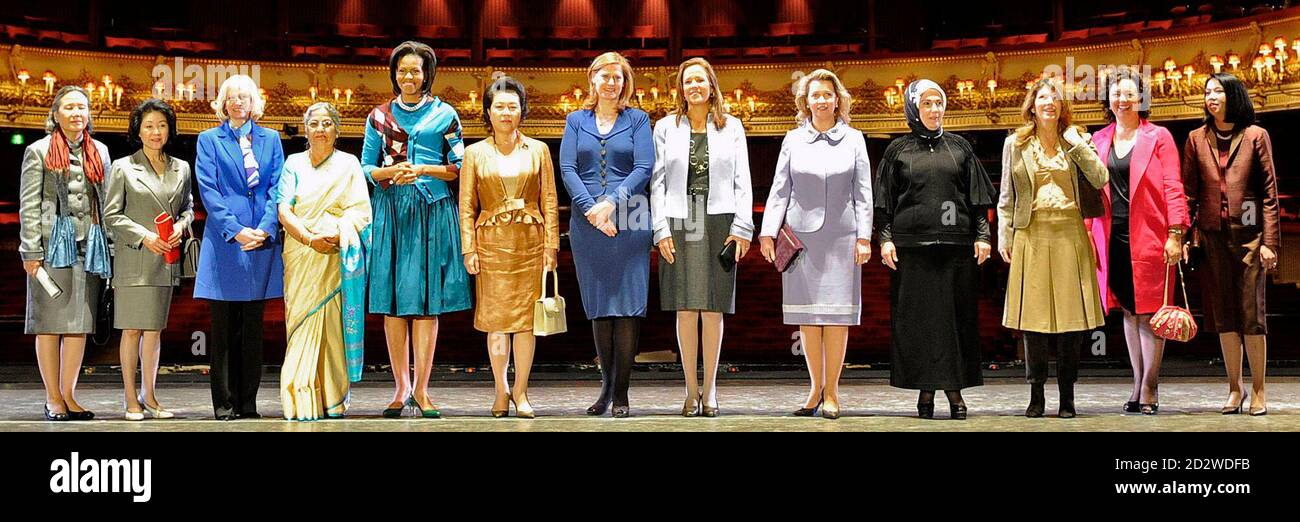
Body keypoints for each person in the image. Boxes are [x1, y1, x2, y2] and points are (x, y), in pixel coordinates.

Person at [362, 41, 471, 418]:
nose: (408, 76)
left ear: (428, 74)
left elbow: (459, 167)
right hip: (392, 209)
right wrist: (390, 173)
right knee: (393, 304)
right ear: (393, 73)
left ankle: (422, 391)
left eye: (416, 70)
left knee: (426, 304)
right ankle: (399, 388)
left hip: (431, 210)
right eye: (402, 70)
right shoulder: (378, 116)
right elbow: (364, 168)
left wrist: (423, 169)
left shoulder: (446, 115)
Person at [875, 79, 995, 420]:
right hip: (912, 252)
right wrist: (885, 239)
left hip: (957, 250)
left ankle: (954, 391)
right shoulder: (897, 150)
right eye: (926, 104)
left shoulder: (960, 147)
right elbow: (883, 203)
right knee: (920, 324)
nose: (934, 110)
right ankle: (925, 391)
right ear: (915, 107)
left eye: (938, 103)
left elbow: (978, 198)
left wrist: (983, 236)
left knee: (954, 323)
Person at [759, 69, 873, 420]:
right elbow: (780, 190)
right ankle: (814, 390)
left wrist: (865, 236)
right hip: (801, 239)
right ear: (805, 102)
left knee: (836, 319)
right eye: (815, 95)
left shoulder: (854, 139)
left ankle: (833, 392)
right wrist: (767, 232)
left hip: (842, 237)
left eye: (827, 94)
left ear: (837, 100)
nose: (821, 100)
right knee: (808, 318)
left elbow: (863, 193)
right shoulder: (792, 139)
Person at [997, 77, 1108, 418]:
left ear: (1061, 106)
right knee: (1034, 322)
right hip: (1031, 233)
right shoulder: (1015, 144)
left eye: (1055, 98)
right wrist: (1005, 235)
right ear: (1032, 105)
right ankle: (1036, 393)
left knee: (1071, 322)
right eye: (1043, 97)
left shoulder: (1077, 139)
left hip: (1069, 232)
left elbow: (1101, 177)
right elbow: (1006, 195)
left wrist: (1076, 145)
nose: (1049, 102)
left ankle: (1067, 396)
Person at [650, 57, 753, 417]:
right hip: (680, 219)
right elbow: (658, 182)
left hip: (719, 220)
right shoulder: (665, 127)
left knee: (712, 310)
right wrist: (660, 228)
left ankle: (710, 390)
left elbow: (743, 181)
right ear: (681, 88)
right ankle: (689, 391)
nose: (694, 86)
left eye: (700, 80)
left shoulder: (732, 127)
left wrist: (742, 227)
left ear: (712, 86)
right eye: (687, 81)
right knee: (684, 309)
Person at [1086, 70, 1188, 416]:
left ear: (1141, 99)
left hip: (1151, 235)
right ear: (1108, 101)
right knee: (1129, 310)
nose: (1122, 100)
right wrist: (1087, 233)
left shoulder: (1159, 137)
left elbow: (1174, 185)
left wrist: (1176, 232)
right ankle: (1136, 381)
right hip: (1111, 235)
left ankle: (1150, 385)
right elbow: (1089, 192)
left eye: (1129, 94)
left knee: (1150, 312)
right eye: (1116, 94)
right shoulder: (1099, 139)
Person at [559, 51, 654, 418]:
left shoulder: (637, 119)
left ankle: (623, 393)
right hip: (587, 223)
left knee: (627, 307)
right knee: (600, 308)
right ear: (593, 80)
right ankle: (605, 388)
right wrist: (590, 208)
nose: (612, 82)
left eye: (618, 77)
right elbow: (567, 168)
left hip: (630, 217)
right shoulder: (575, 120)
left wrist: (611, 203)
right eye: (605, 76)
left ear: (625, 82)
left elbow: (644, 167)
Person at [460, 76, 559, 419]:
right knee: (497, 322)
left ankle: (522, 391)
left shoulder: (539, 150)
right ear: (488, 112)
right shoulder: (473, 153)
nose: (506, 112)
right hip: (490, 247)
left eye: (512, 106)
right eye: (499, 106)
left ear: (522, 111)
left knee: (527, 322)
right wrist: (468, 249)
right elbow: (466, 205)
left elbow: (549, 199)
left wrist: (552, 246)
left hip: (530, 244)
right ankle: (500, 390)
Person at [1182, 72, 1280, 416]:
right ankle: (1234, 389)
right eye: (1207, 92)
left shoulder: (1255, 136)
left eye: (1217, 91)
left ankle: (1259, 390)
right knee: (1223, 315)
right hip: (1212, 237)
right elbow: (1189, 193)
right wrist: (1184, 236)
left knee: (1252, 314)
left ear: (1233, 95)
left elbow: (1269, 193)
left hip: (1251, 237)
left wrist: (1270, 242)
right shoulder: (1196, 138)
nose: (1210, 97)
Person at [18, 85, 112, 421]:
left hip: (90, 249)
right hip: (50, 251)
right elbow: (28, 205)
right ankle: (52, 397)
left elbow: (105, 202)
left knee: (78, 325)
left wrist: (110, 248)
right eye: (69, 107)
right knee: (50, 325)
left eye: (82, 108)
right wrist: (30, 250)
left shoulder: (99, 151)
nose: (76, 113)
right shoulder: (38, 151)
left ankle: (70, 395)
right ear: (56, 114)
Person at [194, 74, 285, 420]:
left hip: (261, 243)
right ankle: (225, 403)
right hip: (225, 243)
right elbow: (209, 191)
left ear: (253, 103)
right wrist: (236, 230)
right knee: (223, 329)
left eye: (244, 97)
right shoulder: (209, 140)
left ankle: (249, 403)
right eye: (231, 97)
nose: (237, 102)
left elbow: (277, 187)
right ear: (223, 102)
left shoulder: (271, 139)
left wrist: (263, 229)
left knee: (252, 329)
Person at [276, 102, 372, 421]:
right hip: (301, 253)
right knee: (302, 323)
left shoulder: (349, 164)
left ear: (337, 130)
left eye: (327, 123)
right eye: (314, 123)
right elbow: (284, 209)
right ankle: (299, 399)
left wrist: (336, 233)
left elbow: (361, 211)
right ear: (305, 130)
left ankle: (331, 397)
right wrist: (308, 238)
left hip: (334, 254)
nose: (320, 129)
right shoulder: (293, 164)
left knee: (331, 327)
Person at [103, 98, 193, 420]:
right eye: (149, 126)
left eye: (162, 125)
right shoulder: (123, 167)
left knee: (154, 331)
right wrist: (145, 236)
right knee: (132, 330)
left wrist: (182, 226)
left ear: (170, 129)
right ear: (138, 132)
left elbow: (188, 208)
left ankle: (150, 396)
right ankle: (130, 398)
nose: (156, 132)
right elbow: (111, 214)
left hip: (166, 260)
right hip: (135, 258)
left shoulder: (181, 168)